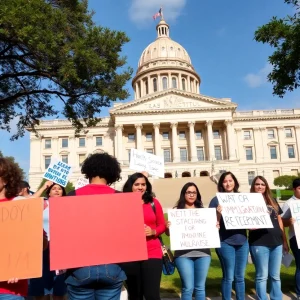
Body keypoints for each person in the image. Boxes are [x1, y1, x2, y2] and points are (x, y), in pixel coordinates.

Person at [65, 152, 126, 300]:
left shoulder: (71, 196)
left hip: (79, 267)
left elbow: (64, 235)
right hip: (112, 266)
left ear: (88, 171)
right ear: (112, 173)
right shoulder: (122, 198)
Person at [122, 172, 166, 300]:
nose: (140, 187)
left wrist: (153, 232)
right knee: (135, 295)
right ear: (130, 185)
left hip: (152, 251)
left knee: (152, 294)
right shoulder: (123, 203)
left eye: (143, 184)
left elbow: (162, 225)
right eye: (137, 184)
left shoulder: (153, 203)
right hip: (131, 253)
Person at [166, 182, 211, 300]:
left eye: (194, 192)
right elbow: (169, 234)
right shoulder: (176, 211)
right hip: (183, 255)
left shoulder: (203, 212)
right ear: (184, 194)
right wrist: (168, 227)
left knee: (200, 287)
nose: (191, 195)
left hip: (203, 254)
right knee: (188, 287)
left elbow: (210, 232)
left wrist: (214, 225)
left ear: (197, 194)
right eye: (189, 192)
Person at [209, 171, 248, 300]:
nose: (228, 183)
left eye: (230, 180)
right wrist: (218, 213)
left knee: (240, 277)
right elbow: (211, 224)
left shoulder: (242, 198)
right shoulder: (215, 200)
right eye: (225, 181)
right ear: (221, 184)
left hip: (242, 241)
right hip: (225, 242)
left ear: (235, 182)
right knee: (229, 276)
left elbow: (249, 218)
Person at [249, 175, 288, 300]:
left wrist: (284, 241)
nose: (260, 186)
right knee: (262, 275)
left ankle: (276, 298)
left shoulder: (272, 201)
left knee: (275, 275)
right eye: (257, 184)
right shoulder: (248, 201)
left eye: (262, 184)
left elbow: (280, 222)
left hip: (276, 243)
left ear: (266, 186)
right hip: (259, 242)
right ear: (253, 186)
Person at [28, 182, 67, 300]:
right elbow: (28, 202)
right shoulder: (43, 204)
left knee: (59, 289)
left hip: (61, 248)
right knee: (41, 287)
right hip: (42, 247)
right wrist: (44, 186)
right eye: (53, 188)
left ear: (63, 193)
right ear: (48, 192)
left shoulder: (68, 205)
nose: (56, 190)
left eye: (59, 189)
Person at [0, 158, 28, 299]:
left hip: (10, 290)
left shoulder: (22, 206)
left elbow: (40, 244)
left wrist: (18, 266)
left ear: (5, 179)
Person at [281, 178, 300, 299]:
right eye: (299, 188)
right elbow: (281, 221)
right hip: (296, 238)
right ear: (294, 189)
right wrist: (289, 221)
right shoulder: (289, 203)